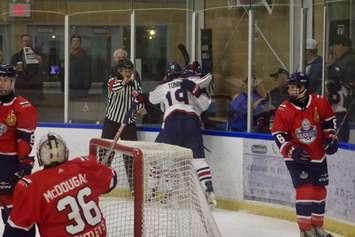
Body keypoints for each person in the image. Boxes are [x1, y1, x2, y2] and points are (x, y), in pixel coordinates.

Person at [3, 132, 117, 237]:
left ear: (40, 157)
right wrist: (98, 172)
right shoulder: (84, 165)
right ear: (66, 152)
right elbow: (112, 181)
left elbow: (16, 230)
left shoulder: (33, 185)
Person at [271, 72, 338, 237]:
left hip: (317, 154)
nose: (291, 91)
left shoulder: (319, 102)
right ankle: (305, 230)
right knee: (306, 191)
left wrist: (330, 139)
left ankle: (317, 227)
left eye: (295, 87)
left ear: (305, 88)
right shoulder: (284, 109)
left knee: (320, 191)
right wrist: (291, 150)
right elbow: (278, 133)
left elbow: (329, 122)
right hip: (297, 156)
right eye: (290, 88)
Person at [148, 62, 217, 207]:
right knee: (198, 160)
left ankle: (169, 195)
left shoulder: (164, 87)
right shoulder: (192, 82)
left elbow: (151, 98)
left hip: (171, 124)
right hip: (192, 123)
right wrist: (195, 89)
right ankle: (209, 191)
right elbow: (206, 103)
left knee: (166, 161)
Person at [0, 64, 37, 236]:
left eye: (6, 80)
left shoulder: (22, 106)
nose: (2, 84)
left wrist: (22, 165)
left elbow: (25, 142)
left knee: (16, 211)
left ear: (13, 82)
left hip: (10, 165)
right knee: (5, 208)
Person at [328, 34, 355, 123]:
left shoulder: (346, 62)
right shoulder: (347, 60)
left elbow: (343, 84)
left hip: (345, 108)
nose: (333, 51)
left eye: (334, 47)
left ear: (340, 45)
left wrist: (331, 67)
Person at [10, 34, 43, 106]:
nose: (27, 43)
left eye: (29, 41)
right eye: (25, 41)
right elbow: (11, 72)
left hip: (34, 88)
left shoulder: (39, 55)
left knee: (33, 111)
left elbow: (45, 72)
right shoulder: (15, 56)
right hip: (20, 88)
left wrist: (41, 62)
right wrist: (16, 69)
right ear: (21, 43)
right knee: (21, 111)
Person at [69, 34, 91, 98]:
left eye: (77, 41)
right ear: (71, 43)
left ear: (80, 43)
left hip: (81, 87)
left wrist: (86, 87)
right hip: (69, 87)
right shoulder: (67, 55)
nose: (75, 43)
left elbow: (87, 72)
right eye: (74, 41)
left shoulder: (84, 56)